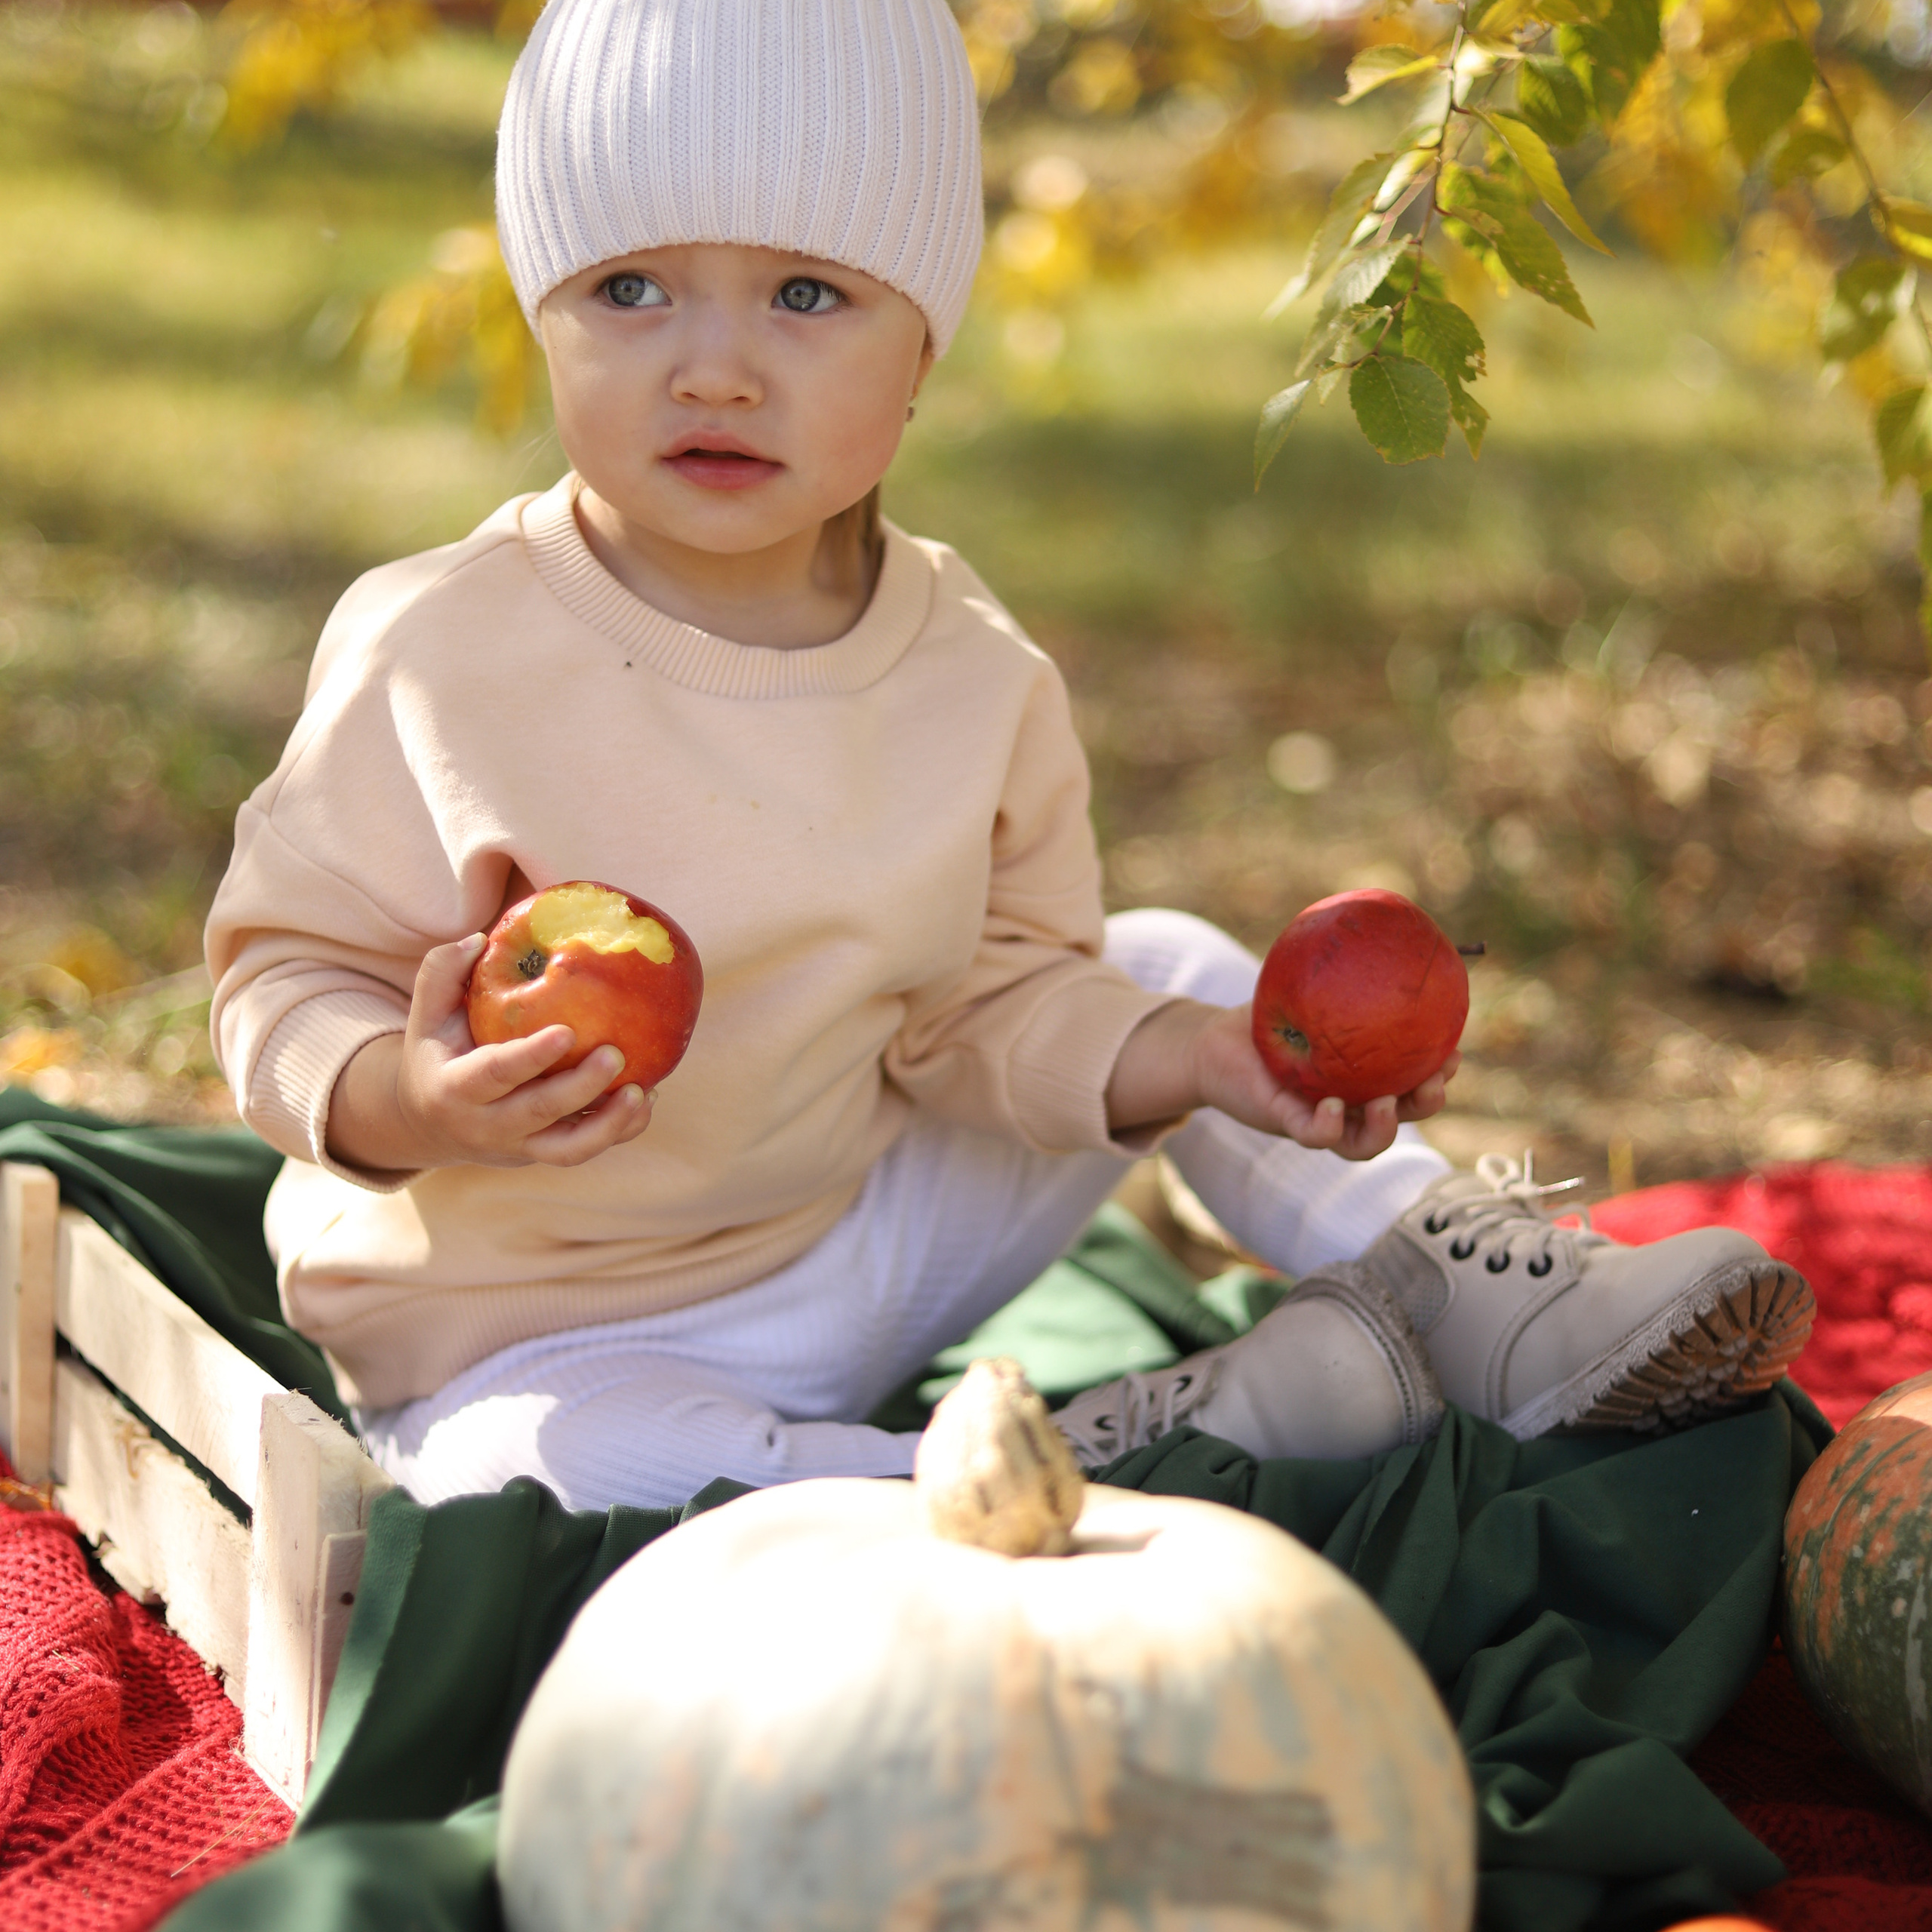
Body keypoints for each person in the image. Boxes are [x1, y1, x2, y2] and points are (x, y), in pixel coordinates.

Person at [204, 0, 1813, 1512]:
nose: (712, 364)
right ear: (540, 313)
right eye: (629, 289)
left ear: (921, 348)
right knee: (531, 1479)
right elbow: (279, 981)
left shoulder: (964, 668)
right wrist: (411, 1093)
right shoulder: (439, 651)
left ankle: (1486, 1303)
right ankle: (1064, 1458)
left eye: (807, 294)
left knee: (1172, 967)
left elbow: (994, 1002)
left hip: (849, 1234)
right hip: (533, 1329)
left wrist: (1204, 1062)